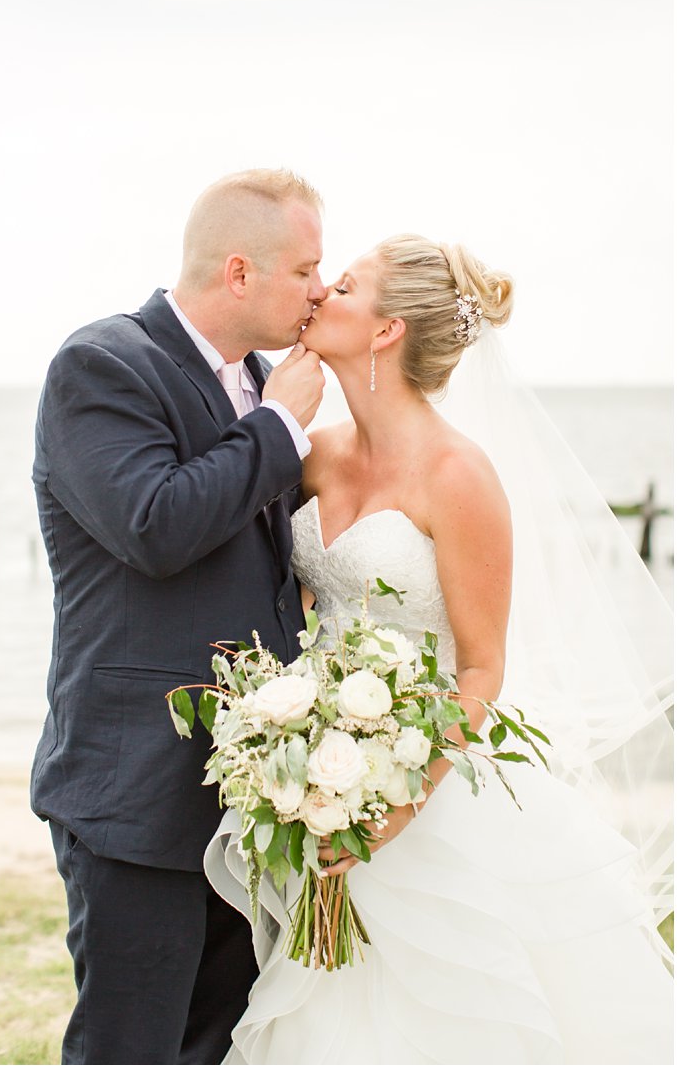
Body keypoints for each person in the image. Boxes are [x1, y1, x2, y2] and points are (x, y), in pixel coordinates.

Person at [206, 235, 673, 1062]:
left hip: (427, 788)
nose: (321, 295)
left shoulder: (459, 474)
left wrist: (390, 809)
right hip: (320, 776)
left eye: (343, 285)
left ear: (386, 332)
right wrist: (297, 755)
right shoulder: (314, 454)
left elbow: (483, 668)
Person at [30, 167, 328, 1064]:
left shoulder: (263, 379)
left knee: (219, 1042)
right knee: (132, 1046)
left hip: (247, 796)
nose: (320, 290)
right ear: (240, 272)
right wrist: (278, 431)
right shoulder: (102, 366)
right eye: (306, 270)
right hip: (137, 793)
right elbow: (153, 525)